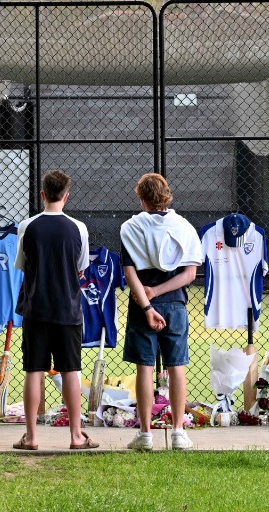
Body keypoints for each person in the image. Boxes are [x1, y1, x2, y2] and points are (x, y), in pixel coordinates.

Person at [12, 170, 99, 450]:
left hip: (36, 308)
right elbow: (81, 265)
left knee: (33, 371)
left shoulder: (27, 225)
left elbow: (23, 264)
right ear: (66, 196)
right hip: (68, 310)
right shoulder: (78, 227)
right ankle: (76, 435)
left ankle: (32, 437)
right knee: (70, 371)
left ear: (42, 195)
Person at [120, 173, 203, 450]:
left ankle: (145, 434)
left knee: (144, 366)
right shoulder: (184, 227)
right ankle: (179, 433)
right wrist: (161, 291)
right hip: (175, 304)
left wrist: (147, 300)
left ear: (141, 198)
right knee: (176, 366)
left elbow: (130, 272)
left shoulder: (131, 227)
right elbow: (190, 273)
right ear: (167, 195)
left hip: (142, 305)